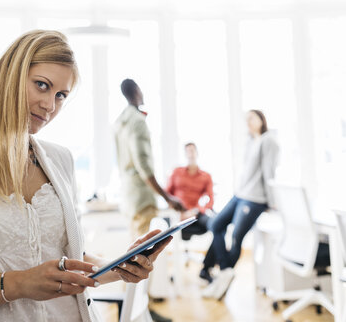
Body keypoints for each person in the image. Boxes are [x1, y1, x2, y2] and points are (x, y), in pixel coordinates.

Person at [0, 30, 172, 322]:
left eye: (61, 96)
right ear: (9, 77)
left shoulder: (60, 159)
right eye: (42, 85)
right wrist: (17, 284)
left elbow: (64, 258)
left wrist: (116, 268)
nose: (50, 106)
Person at [114, 78, 184, 322]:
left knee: (131, 255)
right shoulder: (137, 122)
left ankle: (133, 309)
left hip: (128, 196)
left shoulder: (119, 122)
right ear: (136, 92)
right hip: (141, 197)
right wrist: (169, 198)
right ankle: (137, 311)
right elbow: (144, 167)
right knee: (141, 258)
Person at [201, 109, 279, 300]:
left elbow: (269, 172)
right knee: (216, 224)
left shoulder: (268, 141)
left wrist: (272, 201)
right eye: (246, 120)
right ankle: (226, 271)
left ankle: (221, 279)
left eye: (252, 118)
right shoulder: (250, 141)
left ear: (262, 119)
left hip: (255, 198)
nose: (249, 122)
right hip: (240, 194)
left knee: (236, 236)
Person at [166, 142, 214, 282]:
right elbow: (166, 195)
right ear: (185, 154)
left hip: (195, 215)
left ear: (197, 153)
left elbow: (210, 200)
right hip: (177, 215)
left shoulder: (205, 176)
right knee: (158, 226)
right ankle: (164, 273)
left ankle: (206, 268)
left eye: (193, 150)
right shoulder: (177, 172)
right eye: (188, 151)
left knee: (217, 225)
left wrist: (197, 210)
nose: (190, 153)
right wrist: (176, 211)